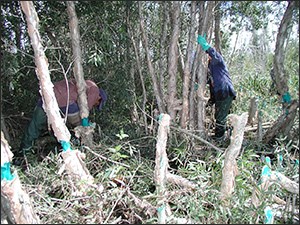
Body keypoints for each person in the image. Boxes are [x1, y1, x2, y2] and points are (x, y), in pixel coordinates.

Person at [16, 78, 107, 161]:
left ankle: (23, 152)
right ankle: (74, 145)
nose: (96, 106)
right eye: (97, 104)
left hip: (48, 95)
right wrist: (85, 126)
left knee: (35, 125)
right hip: (65, 100)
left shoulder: (87, 82)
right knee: (78, 125)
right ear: (99, 98)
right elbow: (85, 112)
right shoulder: (95, 90)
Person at [197, 34, 236, 141]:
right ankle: (226, 134)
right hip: (220, 94)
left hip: (225, 91)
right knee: (220, 116)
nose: (208, 57)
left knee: (220, 117)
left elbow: (213, 54)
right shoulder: (211, 69)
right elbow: (211, 84)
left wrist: (205, 46)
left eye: (208, 55)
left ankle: (220, 138)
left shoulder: (218, 62)